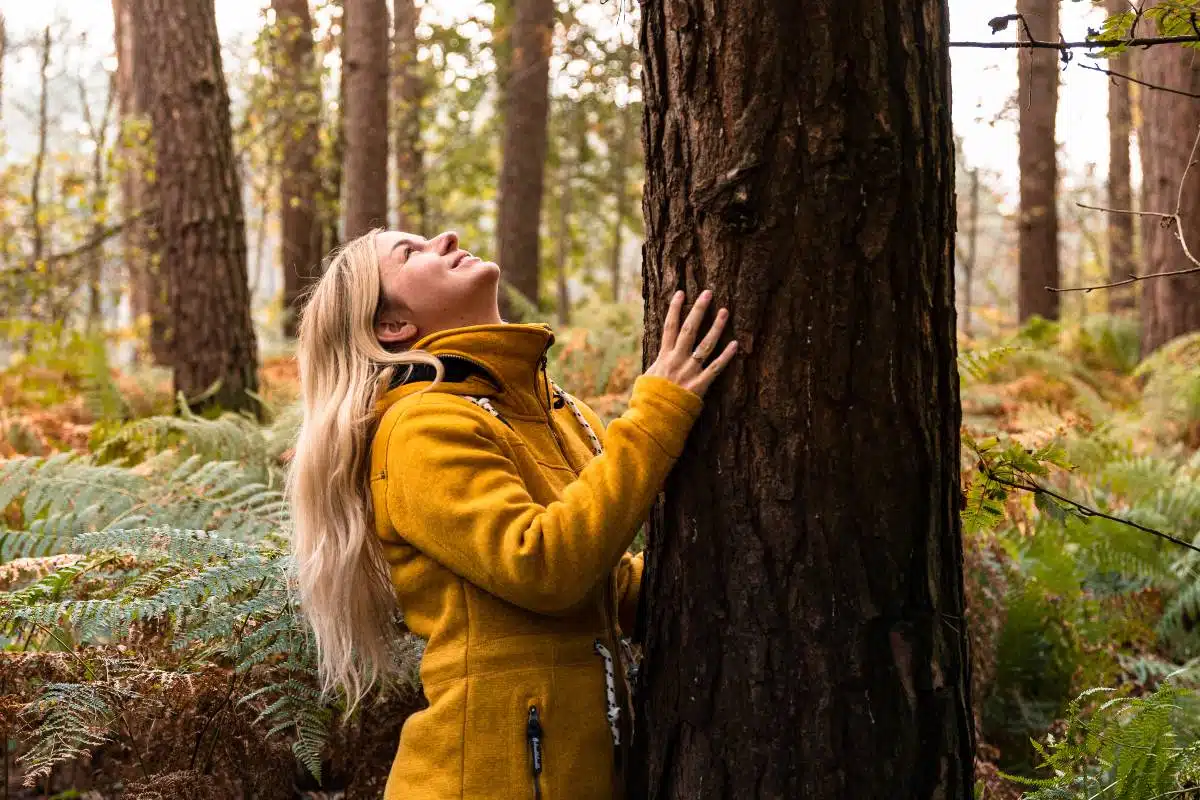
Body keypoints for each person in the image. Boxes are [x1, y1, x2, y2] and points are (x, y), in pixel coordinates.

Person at [287, 229, 738, 800]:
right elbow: (543, 564)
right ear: (393, 326)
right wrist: (656, 414)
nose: (444, 237)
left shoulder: (555, 410)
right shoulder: (420, 430)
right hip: (481, 779)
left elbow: (609, 582)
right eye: (411, 253)